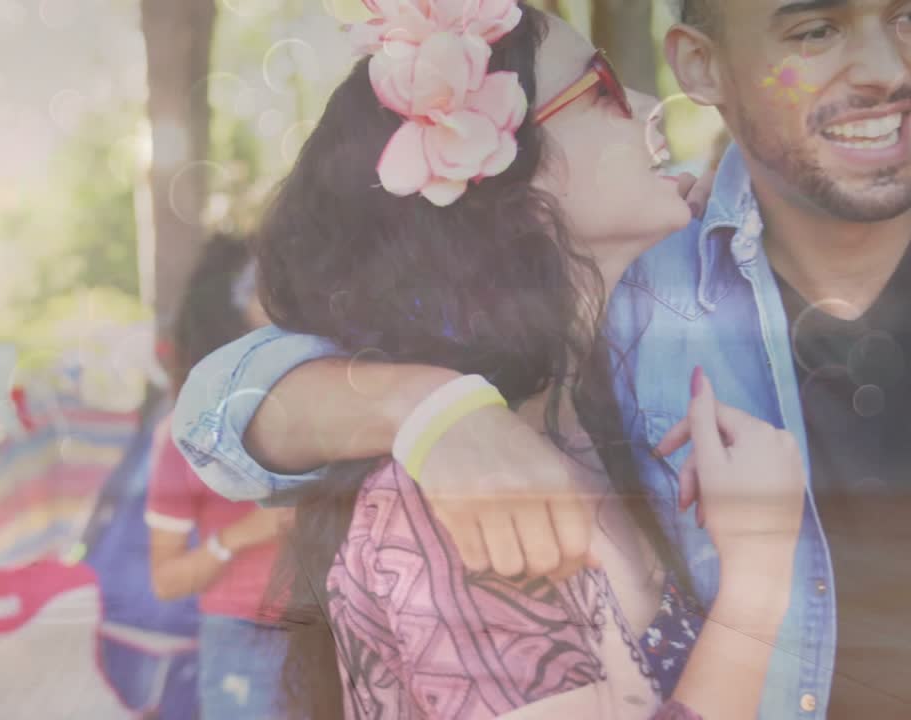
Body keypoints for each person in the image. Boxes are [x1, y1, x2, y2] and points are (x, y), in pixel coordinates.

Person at [175, 0, 911, 715]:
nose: (884, 67)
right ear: (703, 65)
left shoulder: (591, 346)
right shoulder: (647, 293)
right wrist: (432, 412)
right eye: (814, 31)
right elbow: (215, 408)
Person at [145, 234, 290, 719]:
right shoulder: (184, 436)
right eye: (261, 288)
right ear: (227, 312)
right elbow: (166, 580)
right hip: (244, 638)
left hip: (344, 627)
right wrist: (241, 536)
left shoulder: (328, 403)